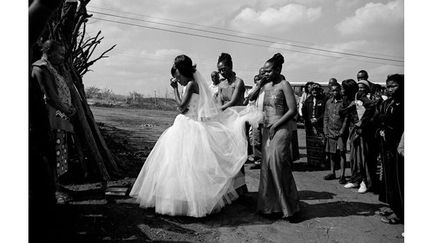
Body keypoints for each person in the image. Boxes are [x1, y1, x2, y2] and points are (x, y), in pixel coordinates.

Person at [129, 55, 262, 217]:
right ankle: (184, 199)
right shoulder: (194, 84)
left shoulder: (191, 84)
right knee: (182, 164)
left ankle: (188, 201)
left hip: (187, 123)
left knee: (185, 165)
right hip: (188, 123)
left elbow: (181, 107)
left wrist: (175, 90)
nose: (176, 78)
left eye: (177, 74)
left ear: (182, 71)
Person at [248, 53, 300, 219]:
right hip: (266, 130)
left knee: (278, 166)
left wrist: (276, 125)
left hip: (281, 128)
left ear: (278, 69)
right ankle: (270, 207)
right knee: (266, 167)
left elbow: (292, 111)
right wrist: (260, 83)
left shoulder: (284, 84)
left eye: (269, 71)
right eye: (264, 71)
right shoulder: (265, 86)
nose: (266, 73)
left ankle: (289, 208)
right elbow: (250, 98)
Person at [32, 40, 77, 204]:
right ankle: (53, 190)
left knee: (59, 152)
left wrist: (67, 108)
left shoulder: (50, 69)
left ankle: (56, 185)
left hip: (58, 116)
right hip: (49, 117)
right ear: (49, 52)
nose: (62, 58)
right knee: (51, 153)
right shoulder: (41, 68)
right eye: (60, 54)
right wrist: (66, 109)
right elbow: (50, 96)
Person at [216, 52, 248, 194]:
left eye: (223, 69)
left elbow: (233, 102)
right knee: (226, 155)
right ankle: (229, 189)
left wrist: (217, 110)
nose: (221, 72)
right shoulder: (221, 84)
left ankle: (241, 189)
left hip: (237, 121)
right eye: (219, 70)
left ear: (230, 67)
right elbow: (219, 101)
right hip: (225, 122)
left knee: (238, 154)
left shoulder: (238, 82)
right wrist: (216, 111)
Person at [376, 74, 404, 224]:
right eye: (388, 86)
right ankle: (394, 207)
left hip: (398, 148)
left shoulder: (405, 103)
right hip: (387, 146)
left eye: (394, 86)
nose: (390, 89)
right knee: (390, 179)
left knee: (399, 181)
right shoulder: (390, 102)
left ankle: (401, 214)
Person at [343, 80, 376, 193]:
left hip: (363, 131)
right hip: (353, 130)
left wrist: (362, 122)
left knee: (362, 157)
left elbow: (371, 106)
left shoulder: (360, 96)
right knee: (353, 157)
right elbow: (344, 113)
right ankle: (355, 179)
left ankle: (365, 182)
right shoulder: (348, 98)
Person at [323, 82, 348, 184]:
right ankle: (332, 172)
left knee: (342, 152)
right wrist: (325, 129)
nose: (335, 92)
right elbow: (326, 116)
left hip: (341, 132)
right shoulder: (328, 102)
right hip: (330, 131)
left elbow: (346, 117)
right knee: (331, 153)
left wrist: (342, 129)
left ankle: (342, 175)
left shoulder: (344, 102)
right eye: (333, 90)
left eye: (337, 90)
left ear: (340, 90)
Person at [302, 83, 326, 168]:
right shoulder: (308, 100)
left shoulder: (323, 100)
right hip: (310, 126)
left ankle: (321, 162)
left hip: (320, 126)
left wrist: (317, 119)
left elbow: (325, 113)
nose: (315, 91)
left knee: (321, 144)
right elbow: (304, 112)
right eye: (313, 90)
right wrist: (308, 120)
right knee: (311, 144)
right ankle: (311, 162)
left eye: (316, 90)